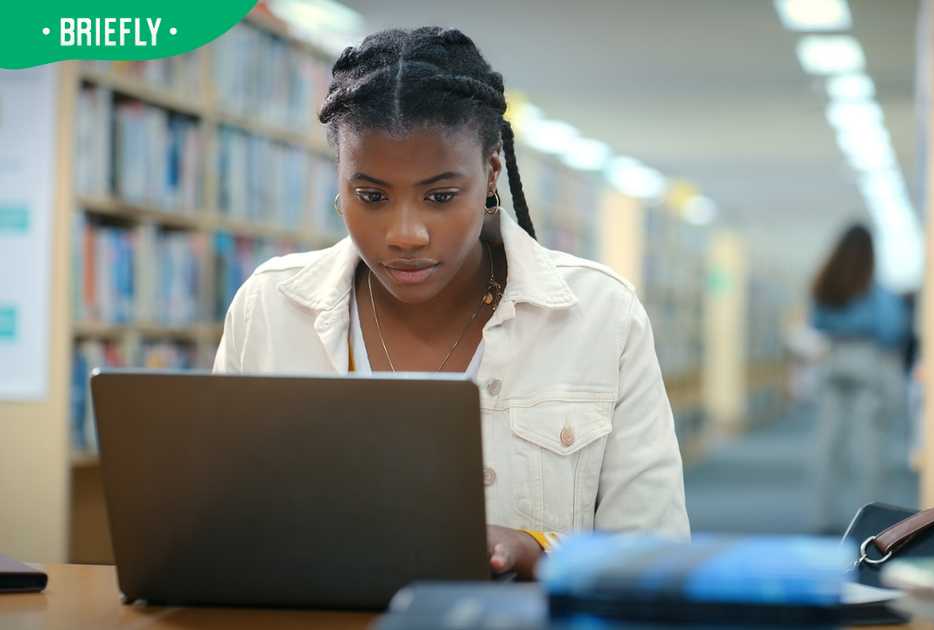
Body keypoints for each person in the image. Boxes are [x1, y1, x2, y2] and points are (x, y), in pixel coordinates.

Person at [212, 27, 690, 580]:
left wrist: (542, 551)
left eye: (440, 196)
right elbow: (218, 523)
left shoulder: (601, 314)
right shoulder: (269, 308)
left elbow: (658, 553)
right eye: (371, 196)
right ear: (339, 180)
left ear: (491, 173)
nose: (406, 234)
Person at [808, 224, 908, 533]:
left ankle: (823, 518)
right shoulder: (876, 292)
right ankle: (870, 520)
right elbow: (892, 330)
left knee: (828, 446)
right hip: (868, 366)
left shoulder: (825, 285)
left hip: (833, 363)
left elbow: (816, 323)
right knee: (870, 449)